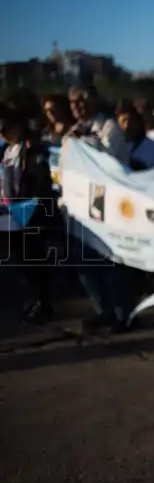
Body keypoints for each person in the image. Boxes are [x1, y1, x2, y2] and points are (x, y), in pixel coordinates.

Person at [0, 106, 55, 322]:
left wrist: (34, 206)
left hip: (31, 212)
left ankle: (43, 304)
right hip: (12, 214)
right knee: (23, 262)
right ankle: (32, 300)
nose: (2, 132)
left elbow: (40, 181)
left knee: (35, 261)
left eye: (5, 127)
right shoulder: (8, 150)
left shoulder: (32, 149)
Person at [67, 85, 130, 166]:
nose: (74, 106)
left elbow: (106, 156)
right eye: (71, 102)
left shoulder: (111, 127)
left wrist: (82, 139)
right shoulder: (76, 128)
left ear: (93, 101)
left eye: (80, 100)